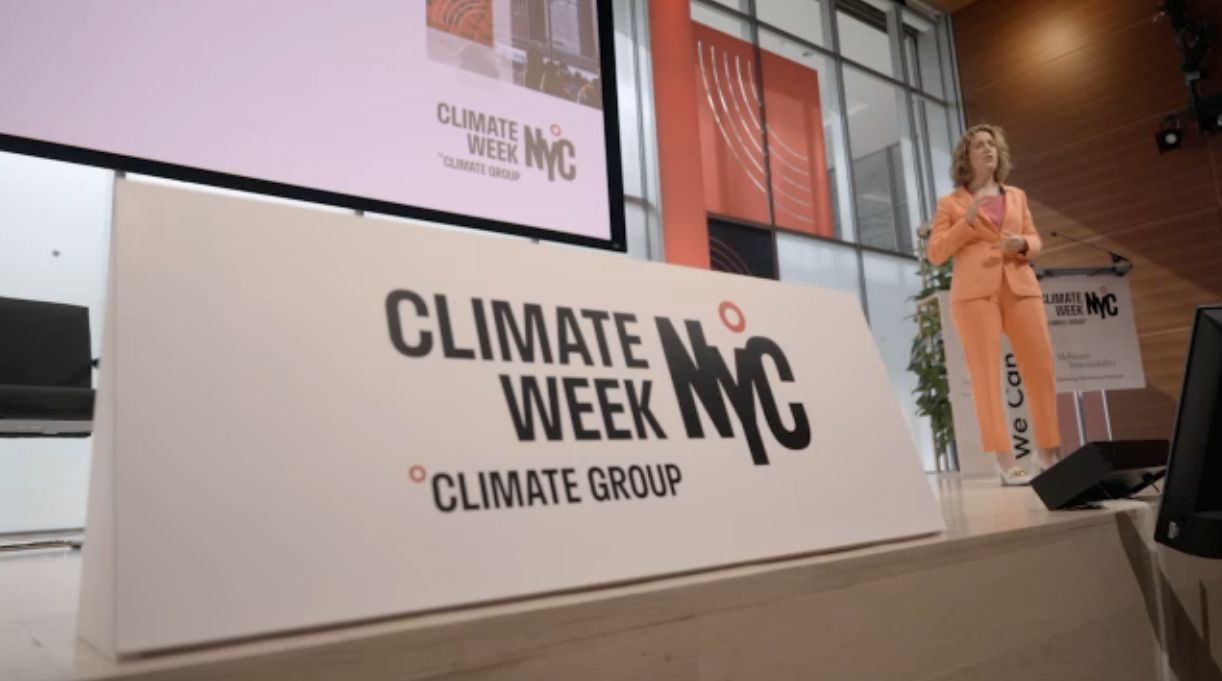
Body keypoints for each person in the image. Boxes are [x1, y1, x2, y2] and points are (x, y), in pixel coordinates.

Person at [927, 124, 1062, 486]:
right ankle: (1005, 461)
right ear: (966, 157)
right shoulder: (950, 204)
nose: (988, 149)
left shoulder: (1017, 196)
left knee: (1042, 369)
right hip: (974, 294)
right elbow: (936, 253)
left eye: (992, 144)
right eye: (979, 145)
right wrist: (967, 220)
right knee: (986, 377)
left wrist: (1023, 244)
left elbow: (1034, 239)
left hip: (1020, 286)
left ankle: (1048, 453)